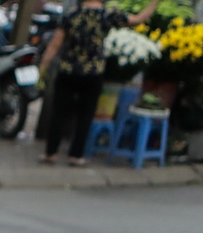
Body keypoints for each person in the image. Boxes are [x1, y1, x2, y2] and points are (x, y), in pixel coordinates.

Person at [39, 0, 160, 165]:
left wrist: (43, 67)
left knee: (59, 112)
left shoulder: (72, 14)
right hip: (93, 72)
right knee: (85, 115)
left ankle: (51, 153)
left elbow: (55, 44)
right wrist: (154, 3)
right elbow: (138, 19)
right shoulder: (108, 14)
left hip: (68, 70)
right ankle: (76, 155)